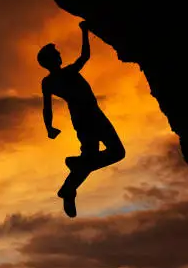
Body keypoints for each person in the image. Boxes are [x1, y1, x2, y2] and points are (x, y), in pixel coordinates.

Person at [39, 20, 125, 217]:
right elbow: (85, 56)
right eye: (56, 53)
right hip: (90, 116)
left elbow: (46, 108)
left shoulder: (48, 82)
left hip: (81, 118)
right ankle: (76, 170)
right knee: (117, 152)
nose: (60, 54)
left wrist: (49, 128)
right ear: (52, 60)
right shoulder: (64, 74)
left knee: (90, 158)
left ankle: (69, 188)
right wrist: (85, 32)